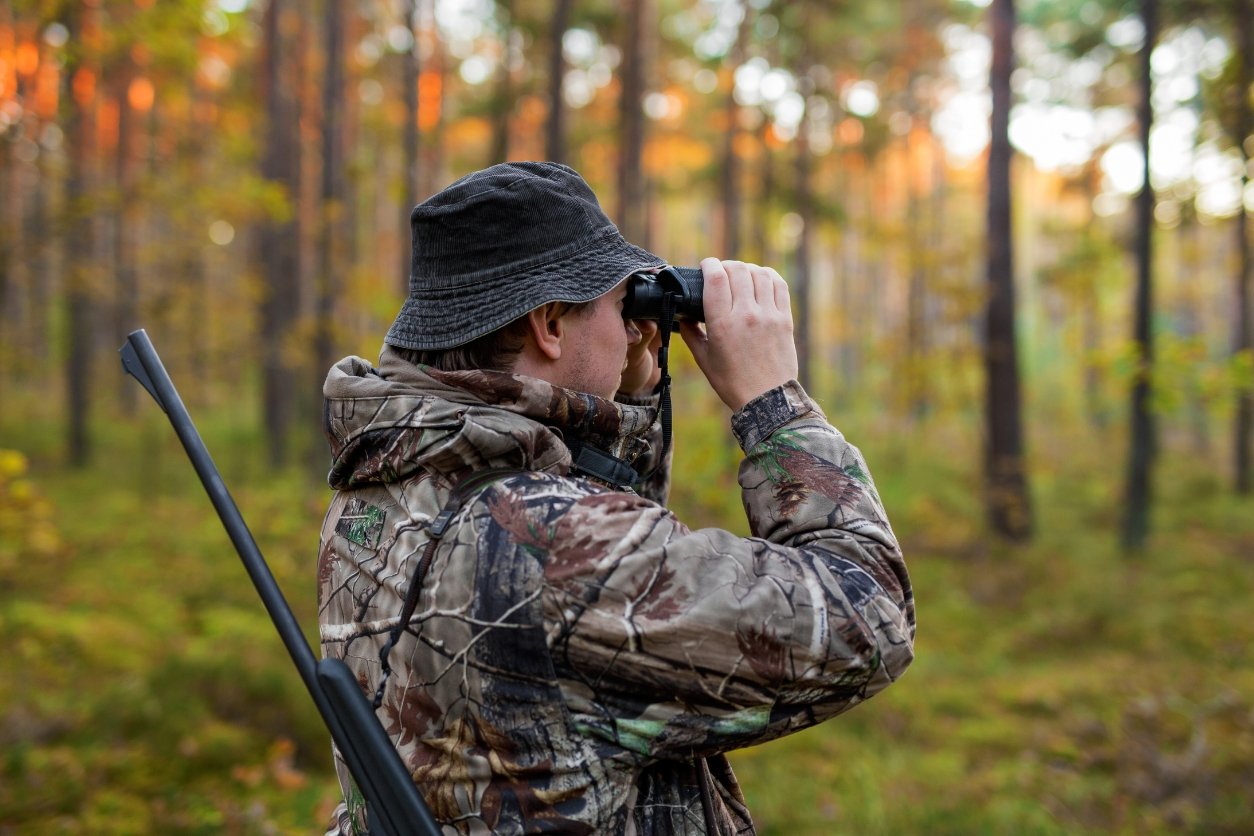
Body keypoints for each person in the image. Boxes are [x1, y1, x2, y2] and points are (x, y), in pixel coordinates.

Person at [317, 161, 915, 835]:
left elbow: (581, 581)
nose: (632, 326)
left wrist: (624, 402)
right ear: (548, 323)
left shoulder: (385, 485)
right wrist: (775, 408)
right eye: (617, 303)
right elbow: (868, 620)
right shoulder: (555, 544)